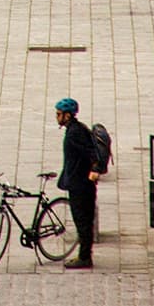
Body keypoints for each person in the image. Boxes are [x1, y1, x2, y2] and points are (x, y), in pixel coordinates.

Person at [55, 97, 101, 267]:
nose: (57, 117)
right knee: (84, 220)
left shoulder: (75, 133)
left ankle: (84, 257)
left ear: (67, 116)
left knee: (82, 220)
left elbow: (91, 152)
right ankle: (85, 254)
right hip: (78, 180)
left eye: (59, 114)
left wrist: (94, 169)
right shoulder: (75, 129)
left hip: (80, 184)